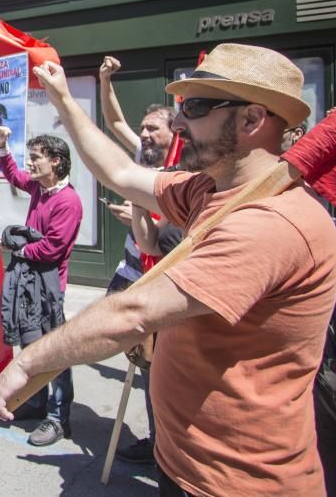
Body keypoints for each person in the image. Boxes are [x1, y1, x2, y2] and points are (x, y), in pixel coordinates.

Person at [0, 44, 336, 496]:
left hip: (238, 483)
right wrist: (61, 98)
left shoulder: (273, 223)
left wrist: (32, 361)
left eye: (194, 108)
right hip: (182, 465)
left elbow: (134, 313)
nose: (177, 124)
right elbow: (120, 172)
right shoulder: (206, 188)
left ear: (252, 120)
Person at [99, 55, 184, 464]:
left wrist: (140, 215)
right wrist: (104, 80)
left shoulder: (183, 172)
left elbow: (160, 239)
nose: (143, 135)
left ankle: (167, 447)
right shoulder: (143, 155)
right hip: (135, 270)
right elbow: (114, 121)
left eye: (153, 128)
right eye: (144, 128)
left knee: (163, 369)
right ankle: (155, 441)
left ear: (175, 133)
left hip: (164, 277)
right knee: (145, 361)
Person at [0, 126, 82, 446]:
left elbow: (52, 248)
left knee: (52, 352)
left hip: (47, 288)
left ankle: (59, 418)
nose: (29, 164)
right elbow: (15, 177)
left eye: (35, 158)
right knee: (31, 347)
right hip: (28, 283)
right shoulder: (39, 189)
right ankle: (36, 400)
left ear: (56, 162)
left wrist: (16, 248)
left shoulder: (68, 201)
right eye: (29, 158)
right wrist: (3, 146)